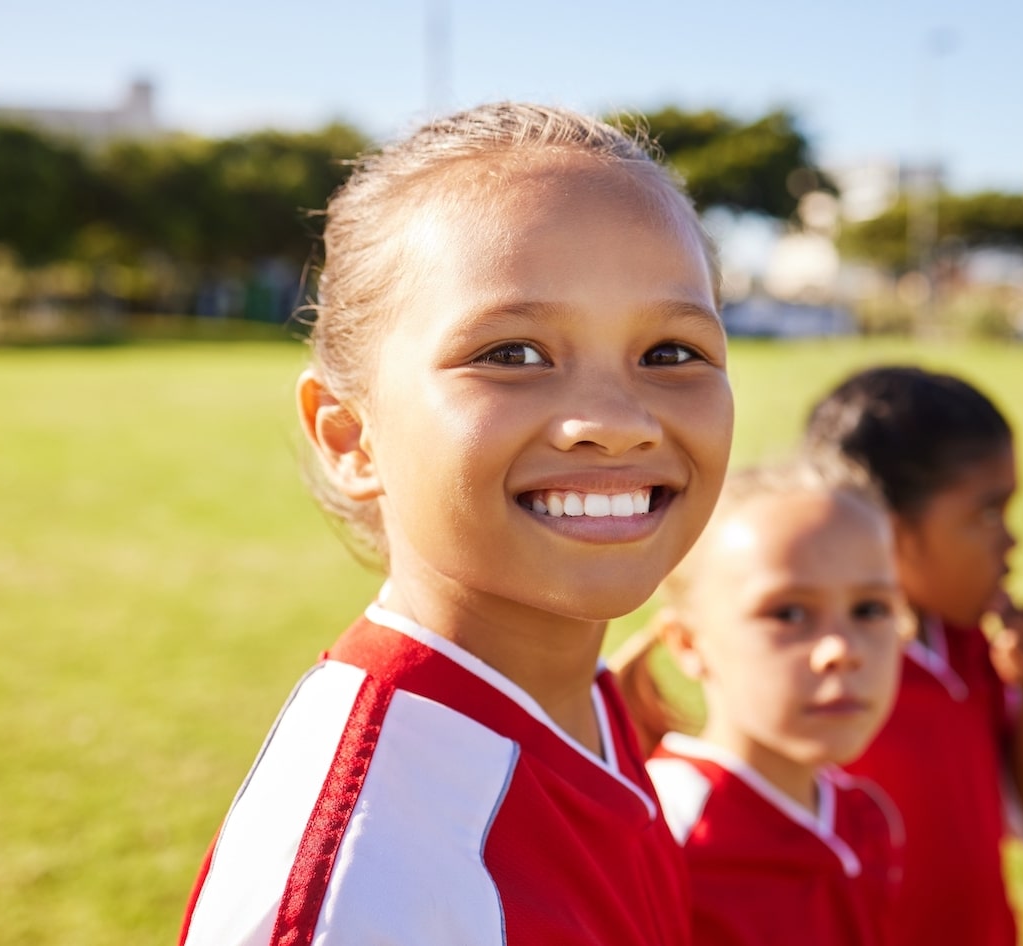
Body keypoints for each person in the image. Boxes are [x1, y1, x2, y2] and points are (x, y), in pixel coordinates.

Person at [177, 102, 735, 946]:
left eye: (669, 352)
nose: (616, 421)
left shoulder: (576, 699)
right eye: (511, 354)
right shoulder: (365, 892)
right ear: (349, 435)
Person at [803, 365, 1023, 946]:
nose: (1011, 541)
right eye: (987, 514)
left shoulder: (970, 645)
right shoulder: (827, 673)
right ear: (890, 535)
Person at [613, 460, 908, 946]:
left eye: (870, 610)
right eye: (789, 613)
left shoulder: (866, 816)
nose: (842, 650)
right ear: (688, 644)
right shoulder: (661, 833)